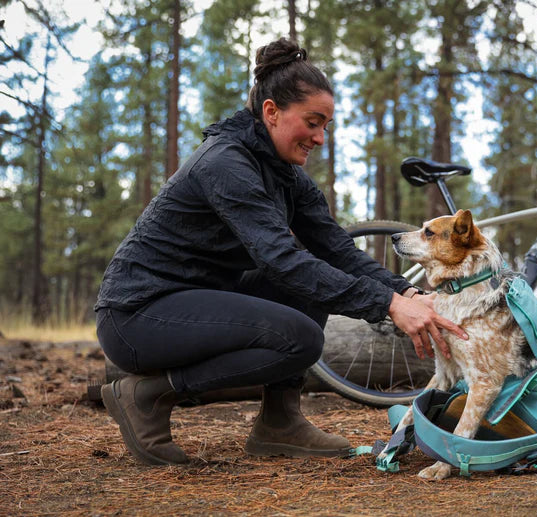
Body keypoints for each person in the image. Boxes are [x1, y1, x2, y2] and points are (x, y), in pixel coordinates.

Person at [95, 37, 468, 466]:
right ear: (271, 112)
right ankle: (145, 394)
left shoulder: (286, 174)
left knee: (308, 287)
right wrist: (386, 305)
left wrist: (407, 294)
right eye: (313, 122)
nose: (320, 137)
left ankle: (280, 422)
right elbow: (281, 261)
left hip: (196, 301)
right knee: (301, 339)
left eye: (326, 125)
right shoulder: (225, 163)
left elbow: (337, 250)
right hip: (137, 314)